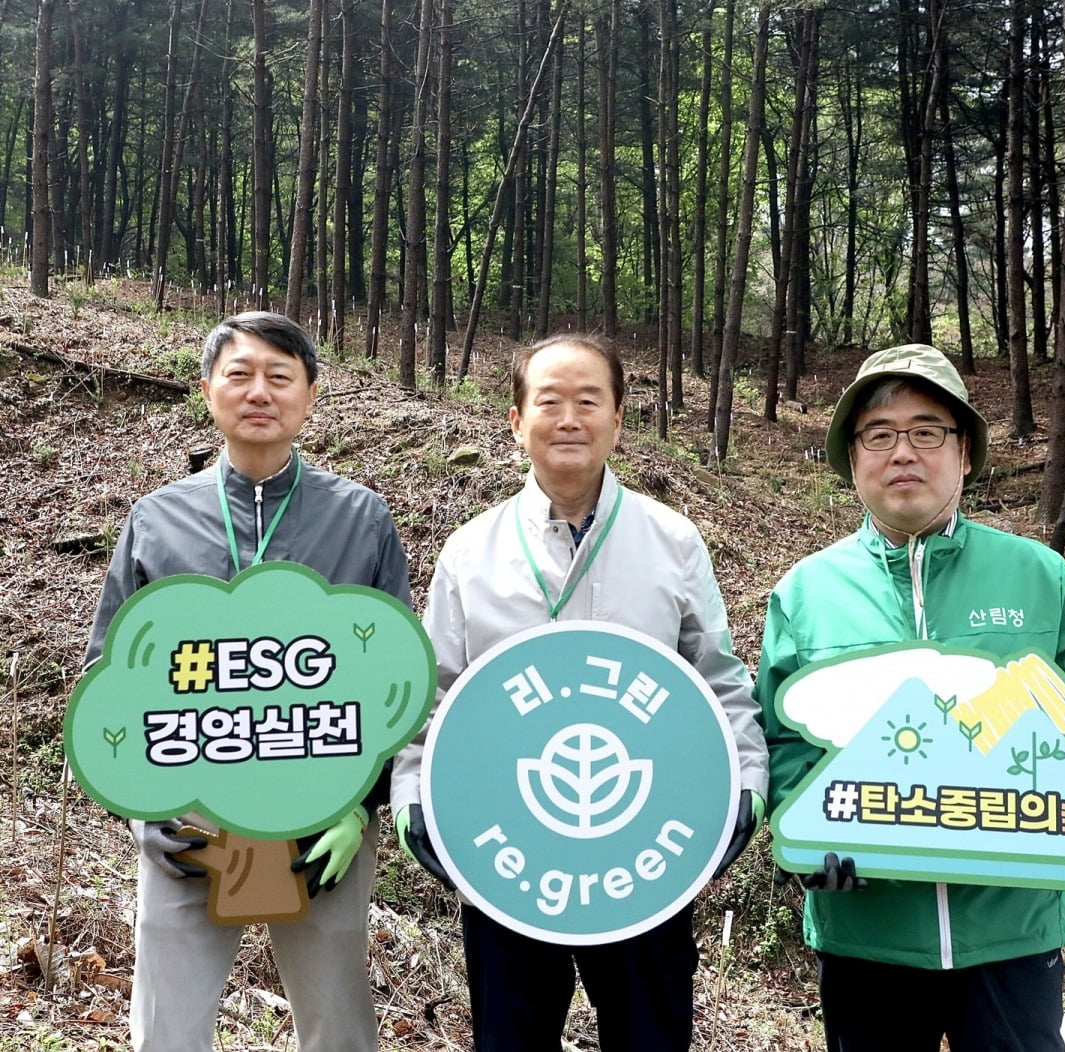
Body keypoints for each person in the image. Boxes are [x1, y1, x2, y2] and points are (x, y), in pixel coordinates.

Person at [754, 343, 1065, 1052]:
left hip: (1013, 929)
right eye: (880, 434)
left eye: (927, 432)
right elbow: (781, 740)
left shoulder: (1038, 577)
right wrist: (810, 831)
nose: (904, 453)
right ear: (852, 457)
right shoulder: (806, 594)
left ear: (964, 453)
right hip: (869, 934)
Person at [391, 332, 768, 1052]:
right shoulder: (472, 550)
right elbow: (432, 697)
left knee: (650, 1036)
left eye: (589, 401)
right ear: (515, 420)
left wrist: (746, 783)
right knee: (512, 1037)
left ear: (619, 419)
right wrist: (414, 799)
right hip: (506, 850)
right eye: (550, 401)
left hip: (645, 850)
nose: (569, 418)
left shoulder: (672, 540)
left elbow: (719, 679)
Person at [84, 311, 412, 1052]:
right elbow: (111, 672)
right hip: (190, 821)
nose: (258, 391)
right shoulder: (158, 518)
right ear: (208, 391)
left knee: (339, 1028)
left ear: (311, 395)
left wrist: (360, 807)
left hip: (323, 818)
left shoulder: (361, 518)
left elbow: (395, 677)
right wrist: (148, 806)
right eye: (240, 374)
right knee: (167, 1028)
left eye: (279, 376)